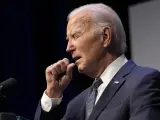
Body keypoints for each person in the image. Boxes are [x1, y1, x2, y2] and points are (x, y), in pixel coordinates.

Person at [34, 3, 160, 120]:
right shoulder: (76, 105)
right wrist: (52, 94)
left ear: (105, 36)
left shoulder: (143, 82)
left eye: (75, 36)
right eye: (68, 39)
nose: (68, 48)